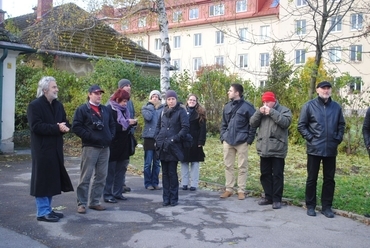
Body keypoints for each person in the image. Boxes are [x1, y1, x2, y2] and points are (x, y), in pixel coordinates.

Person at [27, 76, 74, 222]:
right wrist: (56, 127)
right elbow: (36, 126)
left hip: (55, 148)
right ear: (45, 89)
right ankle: (42, 212)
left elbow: (65, 121)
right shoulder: (34, 105)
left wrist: (66, 127)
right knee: (42, 180)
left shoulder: (58, 105)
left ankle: (48, 209)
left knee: (52, 179)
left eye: (56, 86)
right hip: (41, 149)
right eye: (54, 87)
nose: (57, 89)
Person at [298, 81, 345, 218]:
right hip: (314, 148)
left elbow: (341, 125)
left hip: (330, 149)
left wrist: (337, 139)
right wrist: (311, 138)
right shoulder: (309, 106)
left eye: (328, 88)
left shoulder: (336, 107)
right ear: (317, 90)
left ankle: (326, 207)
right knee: (312, 178)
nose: (326, 90)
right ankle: (310, 205)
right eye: (323, 88)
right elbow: (301, 125)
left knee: (329, 179)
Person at [72, 85, 116, 214]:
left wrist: (110, 136)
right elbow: (76, 127)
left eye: (100, 93)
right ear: (89, 94)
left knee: (101, 176)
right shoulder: (83, 109)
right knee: (86, 176)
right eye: (96, 93)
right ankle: (81, 203)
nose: (99, 95)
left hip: (105, 147)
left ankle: (95, 201)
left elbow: (112, 124)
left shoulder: (105, 110)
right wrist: (90, 137)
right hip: (90, 147)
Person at [250, 91, 292, 209]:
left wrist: (272, 112)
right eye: (264, 101)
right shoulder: (261, 111)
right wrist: (259, 112)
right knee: (265, 174)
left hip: (278, 148)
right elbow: (252, 123)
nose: (266, 104)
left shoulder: (284, 110)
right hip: (264, 148)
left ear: (274, 101)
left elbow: (286, 123)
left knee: (277, 175)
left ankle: (277, 199)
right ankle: (268, 197)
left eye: (268, 101)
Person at [220, 83, 257, 200]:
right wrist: (223, 137)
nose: (228, 92)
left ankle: (241, 190)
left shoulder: (248, 107)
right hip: (228, 141)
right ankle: (229, 189)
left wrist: (249, 139)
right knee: (228, 166)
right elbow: (223, 124)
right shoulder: (227, 107)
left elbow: (253, 124)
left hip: (242, 141)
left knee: (242, 167)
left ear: (237, 93)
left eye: (230, 90)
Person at [155, 90, 189, 206]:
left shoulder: (181, 111)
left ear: (176, 99)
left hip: (174, 147)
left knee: (172, 172)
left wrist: (175, 139)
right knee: (164, 173)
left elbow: (185, 128)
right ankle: (166, 198)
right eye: (169, 99)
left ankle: (174, 198)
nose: (171, 101)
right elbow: (159, 126)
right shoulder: (163, 111)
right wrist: (157, 139)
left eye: (173, 99)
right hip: (163, 146)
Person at [103, 89, 137, 203]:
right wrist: (127, 123)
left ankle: (117, 192)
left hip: (124, 145)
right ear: (117, 99)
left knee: (121, 170)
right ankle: (107, 194)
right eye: (123, 101)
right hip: (113, 145)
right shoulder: (109, 109)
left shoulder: (125, 110)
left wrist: (131, 123)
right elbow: (111, 127)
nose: (125, 104)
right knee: (110, 171)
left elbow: (125, 125)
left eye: (126, 101)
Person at [180, 94, 207, 191]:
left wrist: (201, 141)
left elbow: (203, 129)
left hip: (195, 141)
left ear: (196, 102)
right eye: (190, 100)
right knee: (184, 163)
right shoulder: (182, 111)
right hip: (184, 140)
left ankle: (194, 184)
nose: (191, 101)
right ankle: (184, 183)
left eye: (194, 100)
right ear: (187, 101)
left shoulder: (200, 112)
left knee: (195, 163)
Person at [117, 79, 137, 193]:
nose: (128, 87)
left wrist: (132, 127)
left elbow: (132, 115)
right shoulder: (114, 100)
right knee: (117, 163)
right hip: (118, 137)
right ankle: (115, 186)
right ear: (120, 88)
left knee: (125, 162)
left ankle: (122, 183)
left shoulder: (130, 101)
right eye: (126, 86)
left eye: (129, 85)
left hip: (128, 136)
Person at [142, 90, 164, 190]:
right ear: (150, 98)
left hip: (159, 138)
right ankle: (148, 183)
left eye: (157, 96)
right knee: (147, 163)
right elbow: (148, 117)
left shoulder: (163, 109)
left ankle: (155, 182)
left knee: (156, 163)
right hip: (148, 138)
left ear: (159, 98)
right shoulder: (146, 108)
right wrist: (151, 106)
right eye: (153, 96)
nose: (155, 98)